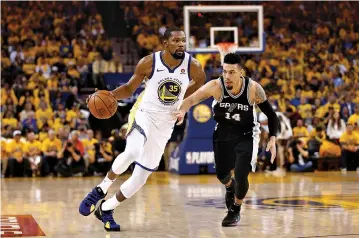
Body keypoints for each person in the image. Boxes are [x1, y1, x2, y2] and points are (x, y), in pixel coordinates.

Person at [79, 27, 206, 231]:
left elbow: (200, 84)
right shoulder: (149, 63)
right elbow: (129, 88)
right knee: (133, 151)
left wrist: (183, 103)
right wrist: (107, 96)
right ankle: (101, 189)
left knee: (141, 177)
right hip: (144, 112)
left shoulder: (194, 66)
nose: (181, 44)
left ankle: (107, 208)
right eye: (176, 41)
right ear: (165, 44)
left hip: (166, 122)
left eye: (183, 41)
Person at [175, 53, 279, 227]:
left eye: (231, 72)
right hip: (223, 134)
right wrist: (183, 110)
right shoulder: (216, 86)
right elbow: (192, 99)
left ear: (241, 72)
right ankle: (229, 186)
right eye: (224, 72)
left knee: (241, 172)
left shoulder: (253, 88)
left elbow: (271, 115)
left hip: (247, 135)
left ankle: (235, 210)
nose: (227, 76)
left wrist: (273, 138)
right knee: (222, 175)